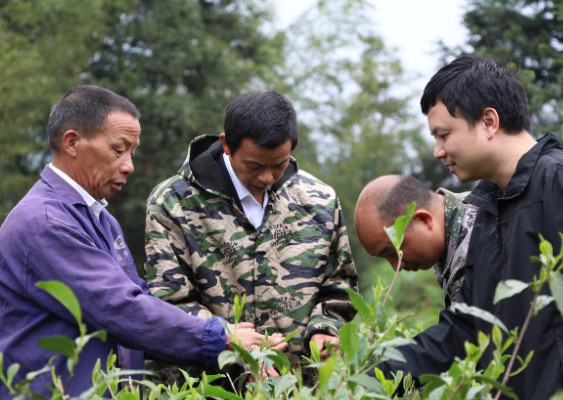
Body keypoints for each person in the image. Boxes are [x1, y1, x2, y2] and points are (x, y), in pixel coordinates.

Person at [0, 85, 282, 397]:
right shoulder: (46, 222)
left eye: (132, 153)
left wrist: (230, 333)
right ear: (72, 142)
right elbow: (119, 308)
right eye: (118, 150)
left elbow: (139, 297)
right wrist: (219, 337)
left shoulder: (100, 219)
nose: (129, 166)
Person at [375, 56, 563, 399]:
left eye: (443, 134)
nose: (437, 151)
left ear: (489, 121)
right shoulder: (487, 208)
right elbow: (467, 329)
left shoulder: (561, 180)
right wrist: (370, 374)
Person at [145, 91, 358, 380]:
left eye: (279, 163)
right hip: (209, 385)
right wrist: (228, 341)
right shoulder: (173, 203)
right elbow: (169, 301)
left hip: (298, 386)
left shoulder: (319, 201)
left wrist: (326, 329)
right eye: (254, 165)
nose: (267, 178)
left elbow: (339, 284)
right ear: (226, 145)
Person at [354, 175, 477, 310]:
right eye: (383, 257)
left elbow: (465, 326)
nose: (396, 267)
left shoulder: (476, 240)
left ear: (423, 219)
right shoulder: (445, 236)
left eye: (394, 249)